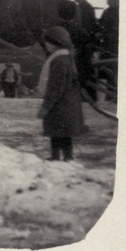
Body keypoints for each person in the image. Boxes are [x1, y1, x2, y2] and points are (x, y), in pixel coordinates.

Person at [36, 26, 86, 161]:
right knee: (62, 133)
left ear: (55, 43)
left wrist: (46, 106)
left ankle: (59, 156)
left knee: (58, 131)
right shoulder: (66, 58)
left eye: (47, 43)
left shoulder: (58, 61)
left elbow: (56, 87)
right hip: (67, 103)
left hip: (61, 104)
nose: (46, 46)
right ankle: (64, 156)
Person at [70, 0, 99, 101]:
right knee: (85, 70)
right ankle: (89, 96)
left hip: (84, 44)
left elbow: (84, 28)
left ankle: (88, 97)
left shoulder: (82, 8)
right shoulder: (87, 7)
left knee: (84, 70)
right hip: (86, 43)